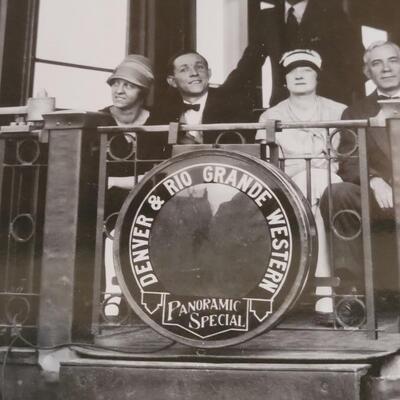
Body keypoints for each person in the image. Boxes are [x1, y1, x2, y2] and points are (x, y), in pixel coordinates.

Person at [256, 49, 346, 322]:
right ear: (284, 80)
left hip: (328, 181)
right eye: (293, 70)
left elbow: (344, 156)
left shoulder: (338, 110)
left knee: (322, 191)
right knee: (312, 194)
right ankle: (323, 288)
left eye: (306, 70)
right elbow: (267, 161)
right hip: (289, 183)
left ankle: (310, 285)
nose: (299, 75)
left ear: (317, 76)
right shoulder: (271, 115)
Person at [320, 40, 400, 299]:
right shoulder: (356, 111)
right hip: (382, 197)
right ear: (368, 72)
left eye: (393, 60)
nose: (386, 68)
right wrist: (375, 181)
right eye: (377, 63)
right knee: (337, 193)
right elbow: (348, 161)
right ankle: (351, 293)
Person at [223, 0, 362, 107]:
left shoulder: (332, 15)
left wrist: (335, 92)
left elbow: (359, 64)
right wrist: (216, 96)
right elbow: (248, 66)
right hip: (282, 108)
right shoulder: (266, 18)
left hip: (327, 107)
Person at [100, 54, 154, 317]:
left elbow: (158, 173)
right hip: (107, 202)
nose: (118, 90)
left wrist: (114, 181)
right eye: (115, 83)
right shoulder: (98, 120)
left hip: (148, 198)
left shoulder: (158, 122)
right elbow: (93, 175)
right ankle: (112, 298)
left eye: (128, 85)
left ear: (142, 91)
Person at [146, 50, 255, 158]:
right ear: (172, 81)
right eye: (184, 70)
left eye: (200, 67)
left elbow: (241, 151)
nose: (194, 73)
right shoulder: (162, 109)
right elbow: (149, 151)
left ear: (209, 73)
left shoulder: (234, 104)